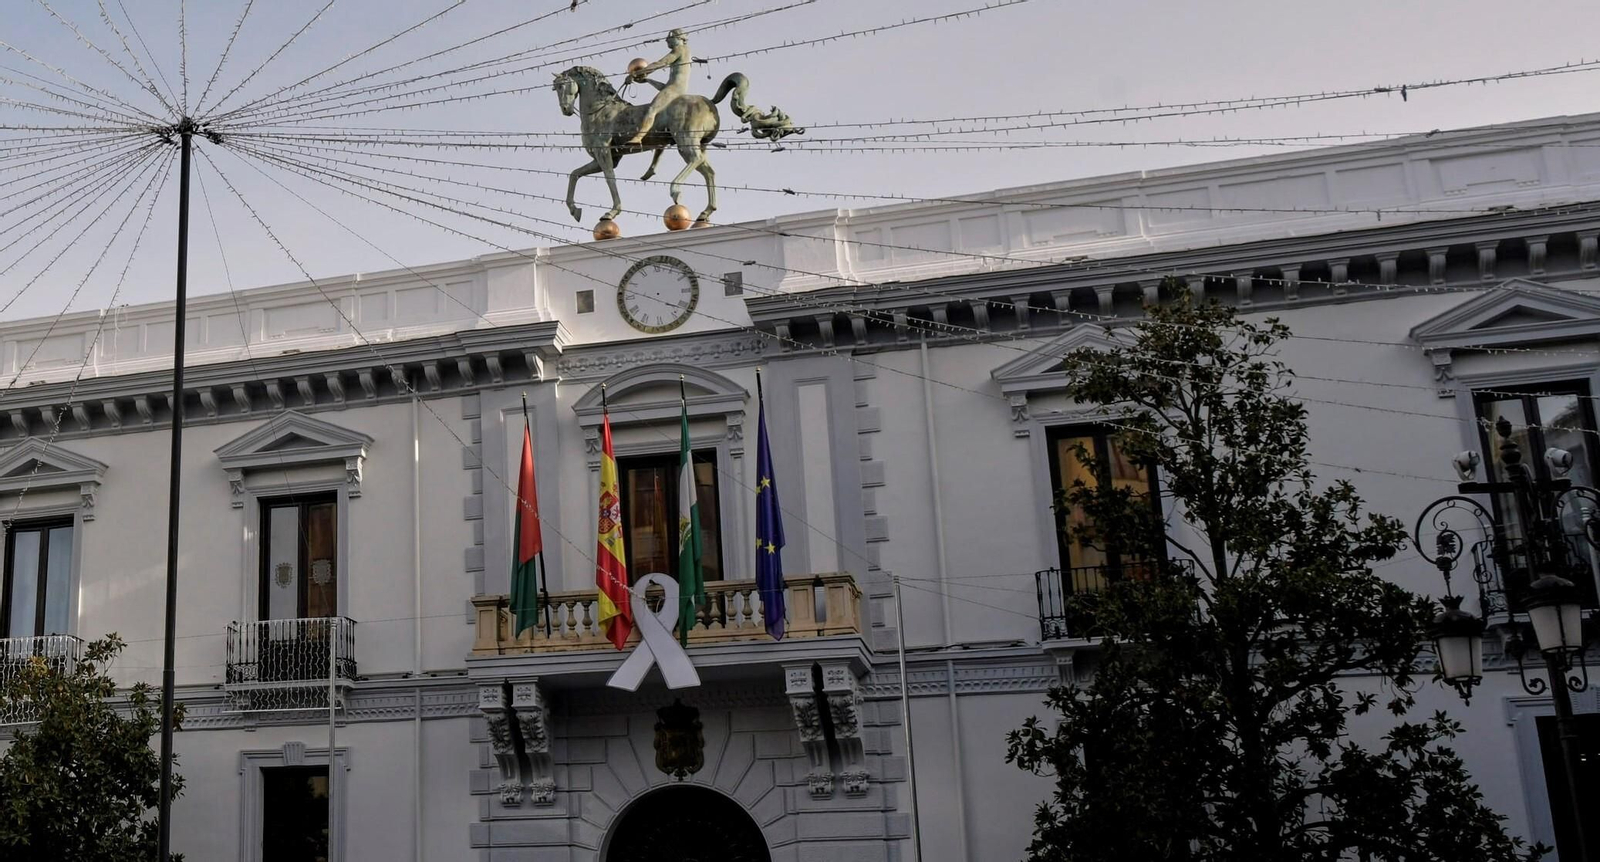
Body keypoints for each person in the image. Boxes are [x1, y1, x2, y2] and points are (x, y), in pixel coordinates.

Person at [625, 29, 691, 145]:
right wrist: (648, 80)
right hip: (675, 89)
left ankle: (638, 137)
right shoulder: (685, 53)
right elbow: (665, 87)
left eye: (670, 37)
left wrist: (637, 73)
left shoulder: (680, 49)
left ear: (679, 38)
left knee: (651, 110)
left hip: (674, 90)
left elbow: (661, 63)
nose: (667, 40)